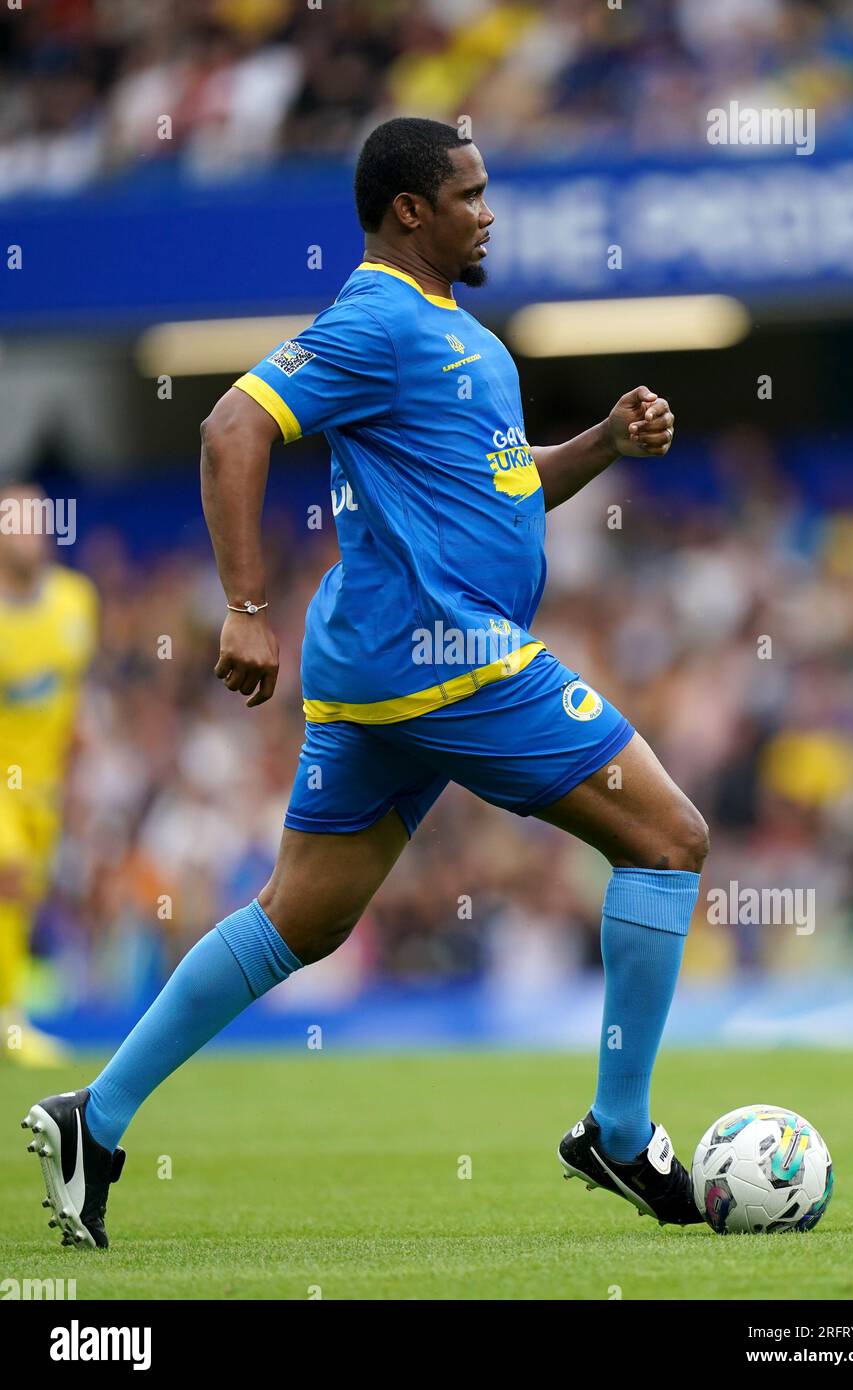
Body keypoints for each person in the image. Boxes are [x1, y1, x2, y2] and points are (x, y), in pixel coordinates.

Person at [24, 118, 708, 1249]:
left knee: (303, 915)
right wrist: (245, 605)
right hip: (445, 654)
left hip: (385, 671)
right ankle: (619, 1133)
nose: (489, 212)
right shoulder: (378, 318)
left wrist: (601, 443)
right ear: (410, 212)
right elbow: (232, 424)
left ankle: (94, 1117)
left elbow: (505, 487)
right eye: (471, 195)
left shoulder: (465, 341)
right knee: (669, 839)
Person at [0, 483, 97, 1067]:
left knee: (24, 894)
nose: (32, 532)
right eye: (17, 523)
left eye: (38, 521)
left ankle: (11, 1017)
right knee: (7, 872)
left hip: (44, 787)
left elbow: (72, 689)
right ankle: (9, 1020)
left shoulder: (75, 601)